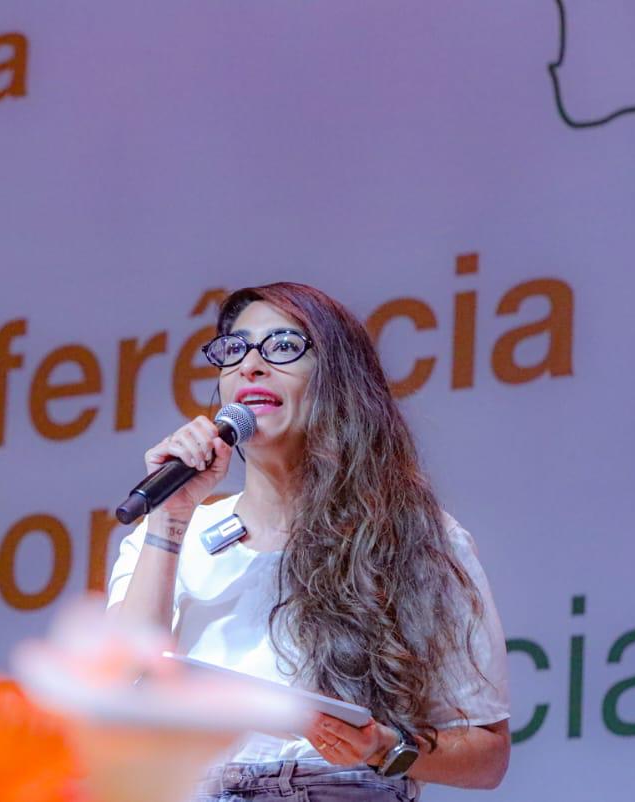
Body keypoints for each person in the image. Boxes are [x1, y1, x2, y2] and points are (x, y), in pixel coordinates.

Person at [107, 283, 510, 801]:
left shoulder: (416, 538)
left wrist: (384, 747)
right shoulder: (169, 533)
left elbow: (487, 755)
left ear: (337, 379)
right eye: (235, 349)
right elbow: (121, 691)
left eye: (282, 346)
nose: (250, 365)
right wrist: (169, 520)